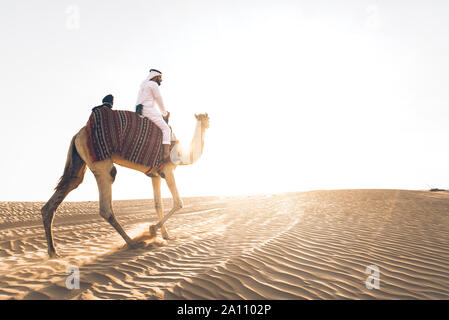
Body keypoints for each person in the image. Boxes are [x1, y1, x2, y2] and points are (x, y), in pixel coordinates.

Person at [135, 69, 171, 160]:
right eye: (160, 77)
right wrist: (165, 113)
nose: (161, 80)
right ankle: (166, 154)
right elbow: (159, 99)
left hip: (139, 110)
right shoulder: (153, 84)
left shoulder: (143, 85)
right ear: (155, 77)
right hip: (148, 110)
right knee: (166, 129)